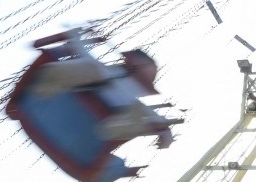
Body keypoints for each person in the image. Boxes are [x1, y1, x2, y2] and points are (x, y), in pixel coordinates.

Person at [30, 32, 175, 150]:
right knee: (92, 67)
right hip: (69, 89)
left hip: (96, 125)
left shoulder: (133, 102)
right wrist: (78, 38)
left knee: (125, 119)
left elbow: (152, 118)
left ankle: (47, 82)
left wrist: (162, 131)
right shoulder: (107, 72)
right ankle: (46, 83)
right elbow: (81, 56)